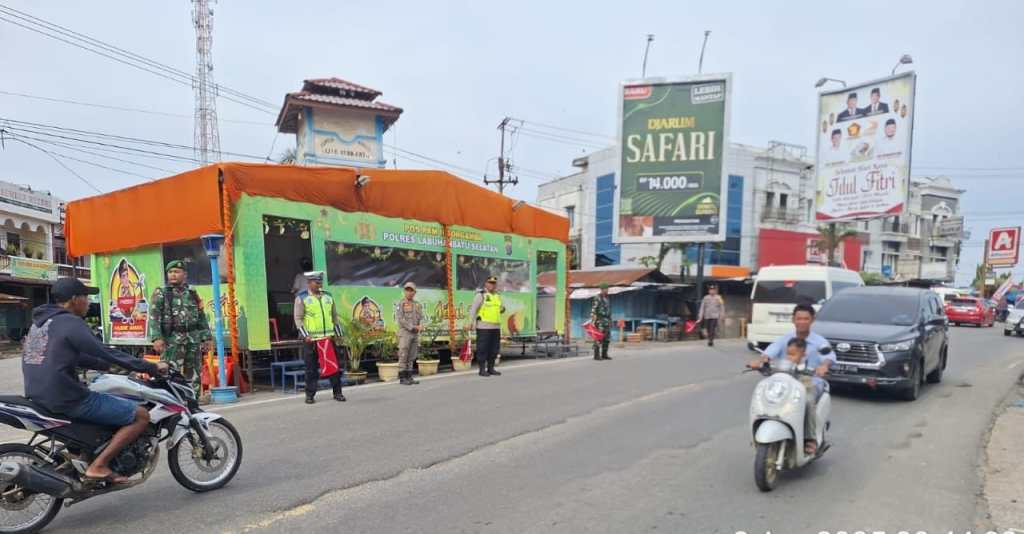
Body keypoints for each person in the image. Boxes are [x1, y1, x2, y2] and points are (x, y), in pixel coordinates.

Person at [22, 278, 169, 484]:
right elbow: (104, 350)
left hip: (39, 395)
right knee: (140, 416)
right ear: (74, 299)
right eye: (86, 297)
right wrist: (149, 367)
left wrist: (109, 366)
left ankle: (85, 456)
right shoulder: (70, 322)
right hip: (67, 398)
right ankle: (99, 465)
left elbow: (69, 355)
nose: (89, 302)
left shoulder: (41, 324)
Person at [749, 303, 834, 455]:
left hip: (809, 380)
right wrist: (761, 360)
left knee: (807, 399)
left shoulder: (819, 341)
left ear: (812, 320)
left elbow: (828, 356)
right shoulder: (785, 339)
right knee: (765, 394)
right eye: (799, 318)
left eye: (806, 319)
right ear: (793, 320)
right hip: (786, 379)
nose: (802, 322)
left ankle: (810, 439)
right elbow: (770, 352)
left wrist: (824, 366)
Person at [149, 260, 212, 399]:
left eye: (177, 272)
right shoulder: (162, 293)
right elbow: (154, 317)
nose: (173, 275)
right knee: (170, 372)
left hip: (192, 338)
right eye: (170, 272)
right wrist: (157, 338)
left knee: (194, 373)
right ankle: (172, 400)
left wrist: (206, 337)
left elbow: (201, 316)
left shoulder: (192, 293)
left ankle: (193, 401)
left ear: (185, 274)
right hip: (172, 339)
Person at [294, 271, 345, 404]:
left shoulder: (328, 296)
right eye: (316, 282)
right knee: (311, 369)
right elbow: (298, 318)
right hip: (311, 340)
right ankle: (310, 395)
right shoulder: (302, 297)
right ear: (309, 283)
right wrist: (305, 335)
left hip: (328, 339)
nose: (319, 285)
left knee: (333, 367)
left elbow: (334, 317)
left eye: (320, 282)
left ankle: (338, 393)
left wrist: (339, 334)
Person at [467, 275, 504, 377]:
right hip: (483, 327)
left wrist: (502, 309)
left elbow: (500, 308)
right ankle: (482, 370)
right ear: (486, 284)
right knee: (482, 349)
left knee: (494, 349)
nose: (492, 285)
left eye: (494, 283)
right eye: (490, 283)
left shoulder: (497, 296)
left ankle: (491, 368)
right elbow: (473, 310)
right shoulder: (480, 295)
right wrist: (470, 323)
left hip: (496, 327)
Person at [394, 282, 424, 385]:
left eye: (411, 290)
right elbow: (401, 320)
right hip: (405, 333)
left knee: (412, 356)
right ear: (404, 291)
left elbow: (421, 317)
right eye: (407, 290)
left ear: (415, 292)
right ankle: (402, 378)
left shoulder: (417, 305)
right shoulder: (401, 304)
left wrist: (422, 326)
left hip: (415, 334)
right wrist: (414, 327)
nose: (409, 292)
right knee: (403, 355)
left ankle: (409, 377)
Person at [591, 283, 612, 361]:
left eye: (607, 289)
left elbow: (609, 310)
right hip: (600, 321)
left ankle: (604, 354)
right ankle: (596, 355)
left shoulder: (607, 298)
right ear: (602, 289)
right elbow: (593, 310)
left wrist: (610, 320)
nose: (607, 290)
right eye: (606, 289)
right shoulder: (597, 298)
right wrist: (593, 321)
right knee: (598, 338)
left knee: (607, 339)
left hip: (607, 321)